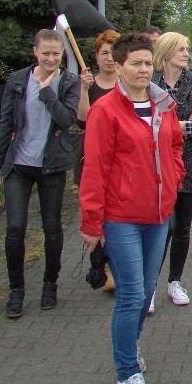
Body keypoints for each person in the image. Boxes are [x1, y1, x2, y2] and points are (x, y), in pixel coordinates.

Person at [79, 33, 186, 384]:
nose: (143, 70)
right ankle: (126, 375)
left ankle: (129, 349)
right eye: (135, 63)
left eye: (147, 63)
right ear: (119, 66)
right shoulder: (105, 110)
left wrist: (174, 178)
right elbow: (94, 168)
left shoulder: (164, 104)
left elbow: (174, 144)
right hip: (121, 216)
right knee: (131, 295)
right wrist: (92, 224)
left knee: (144, 292)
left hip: (158, 214)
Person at [0, 29, 79, 318]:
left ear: (62, 54)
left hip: (52, 165)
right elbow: (5, 123)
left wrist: (48, 91)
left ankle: (50, 283)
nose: (51, 58)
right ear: (35, 52)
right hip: (19, 165)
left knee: (51, 226)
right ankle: (16, 289)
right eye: (46, 53)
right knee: (15, 227)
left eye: (56, 54)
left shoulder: (68, 82)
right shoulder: (17, 80)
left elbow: (67, 118)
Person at [151, 32, 192, 309]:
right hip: (156, 166)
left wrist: (169, 126)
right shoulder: (150, 83)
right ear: (165, 53)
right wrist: (184, 122)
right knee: (161, 226)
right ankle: (149, 284)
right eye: (180, 49)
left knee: (183, 227)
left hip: (190, 164)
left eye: (188, 48)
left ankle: (175, 281)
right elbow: (143, 128)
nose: (186, 54)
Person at [76, 28, 121, 292]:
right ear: (97, 56)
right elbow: (82, 120)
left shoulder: (127, 85)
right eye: (104, 52)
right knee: (96, 211)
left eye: (113, 52)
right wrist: (84, 90)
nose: (108, 57)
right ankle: (98, 264)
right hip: (92, 156)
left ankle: (114, 263)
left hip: (120, 160)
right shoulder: (91, 85)